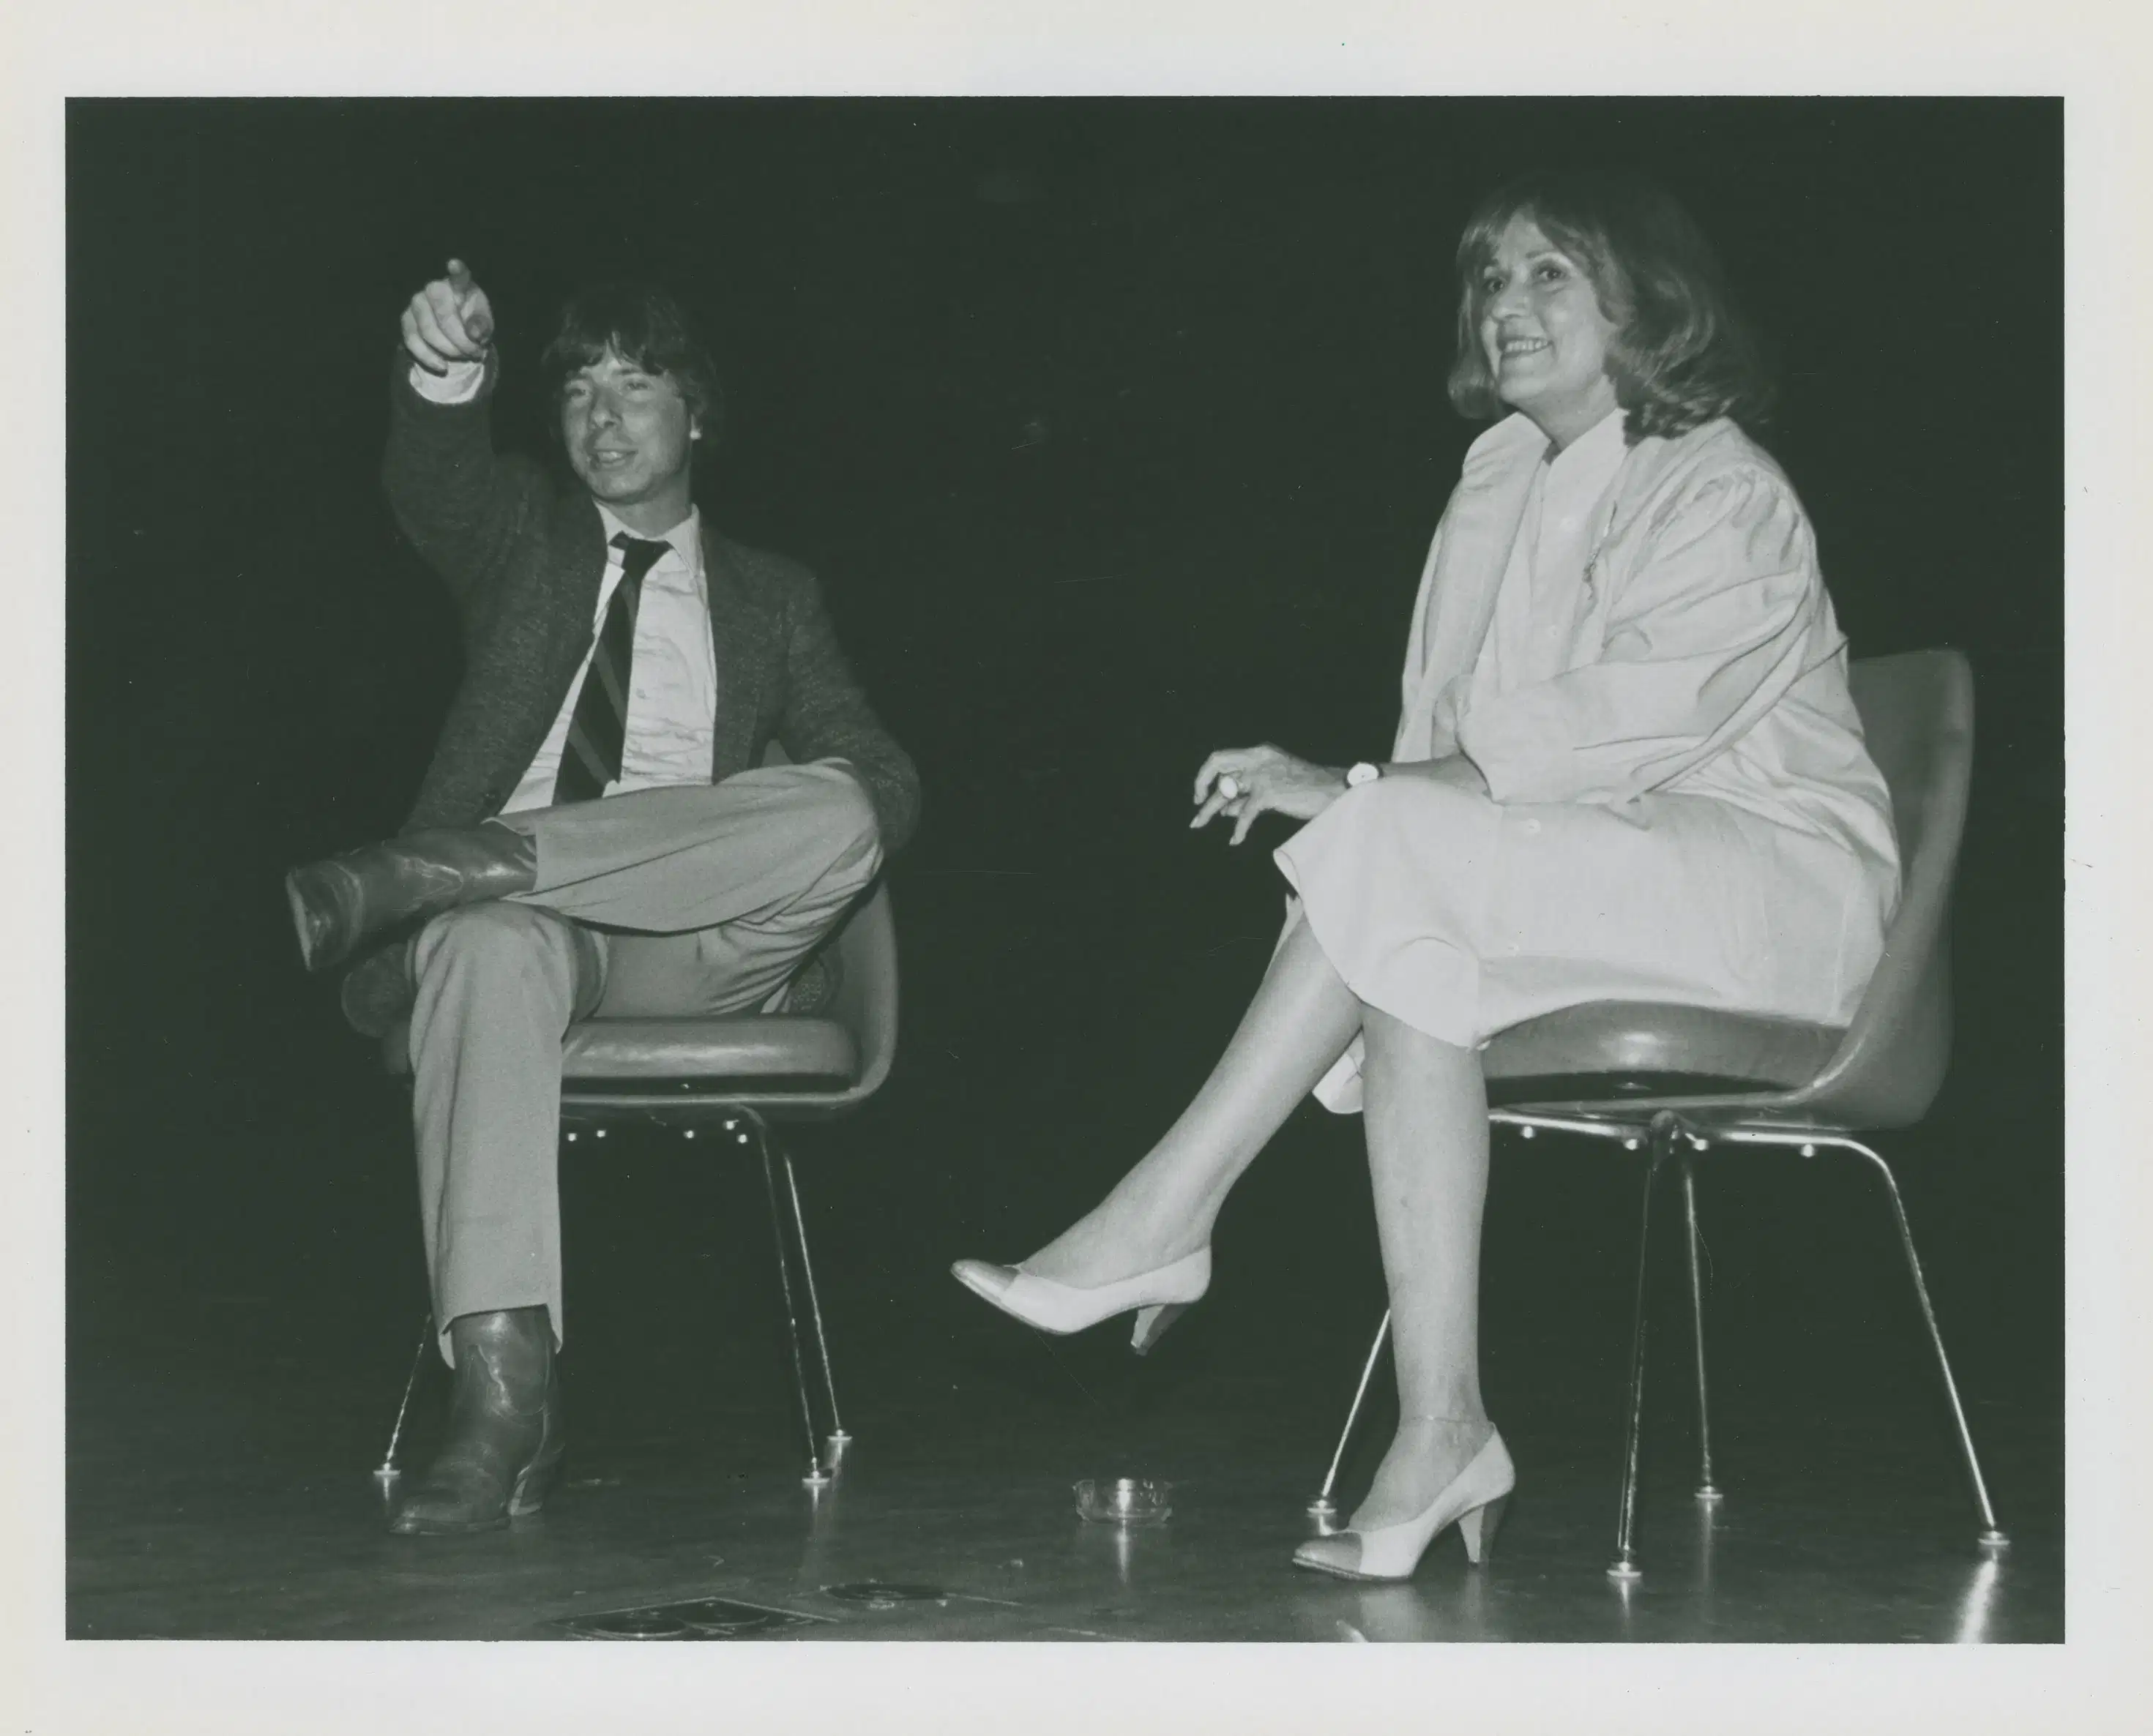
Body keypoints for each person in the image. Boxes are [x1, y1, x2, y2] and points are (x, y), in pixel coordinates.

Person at [952, 171, 1900, 1583]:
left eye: (1550, 273)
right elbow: (1431, 764)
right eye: (1491, 278)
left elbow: (1618, 726)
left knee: (1399, 862)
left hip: (1769, 888)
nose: (1506, 303)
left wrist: (1358, 792)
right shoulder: (1498, 478)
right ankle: (1442, 1427)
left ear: (1645, 299)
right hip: (1593, 872)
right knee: (1413, 947)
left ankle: (1164, 1213)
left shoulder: (1725, 484)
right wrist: (1369, 802)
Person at [286, 263, 919, 1535]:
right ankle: (504, 1400)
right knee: (482, 946)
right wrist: (445, 373)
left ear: (699, 414)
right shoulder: (526, 536)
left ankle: (471, 859)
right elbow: (436, 483)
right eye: (579, 388)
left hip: (702, 942)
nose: (603, 415)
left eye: (637, 383)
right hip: (531, 945)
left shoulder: (773, 597)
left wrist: (513, 854)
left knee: (845, 810)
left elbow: (885, 781)